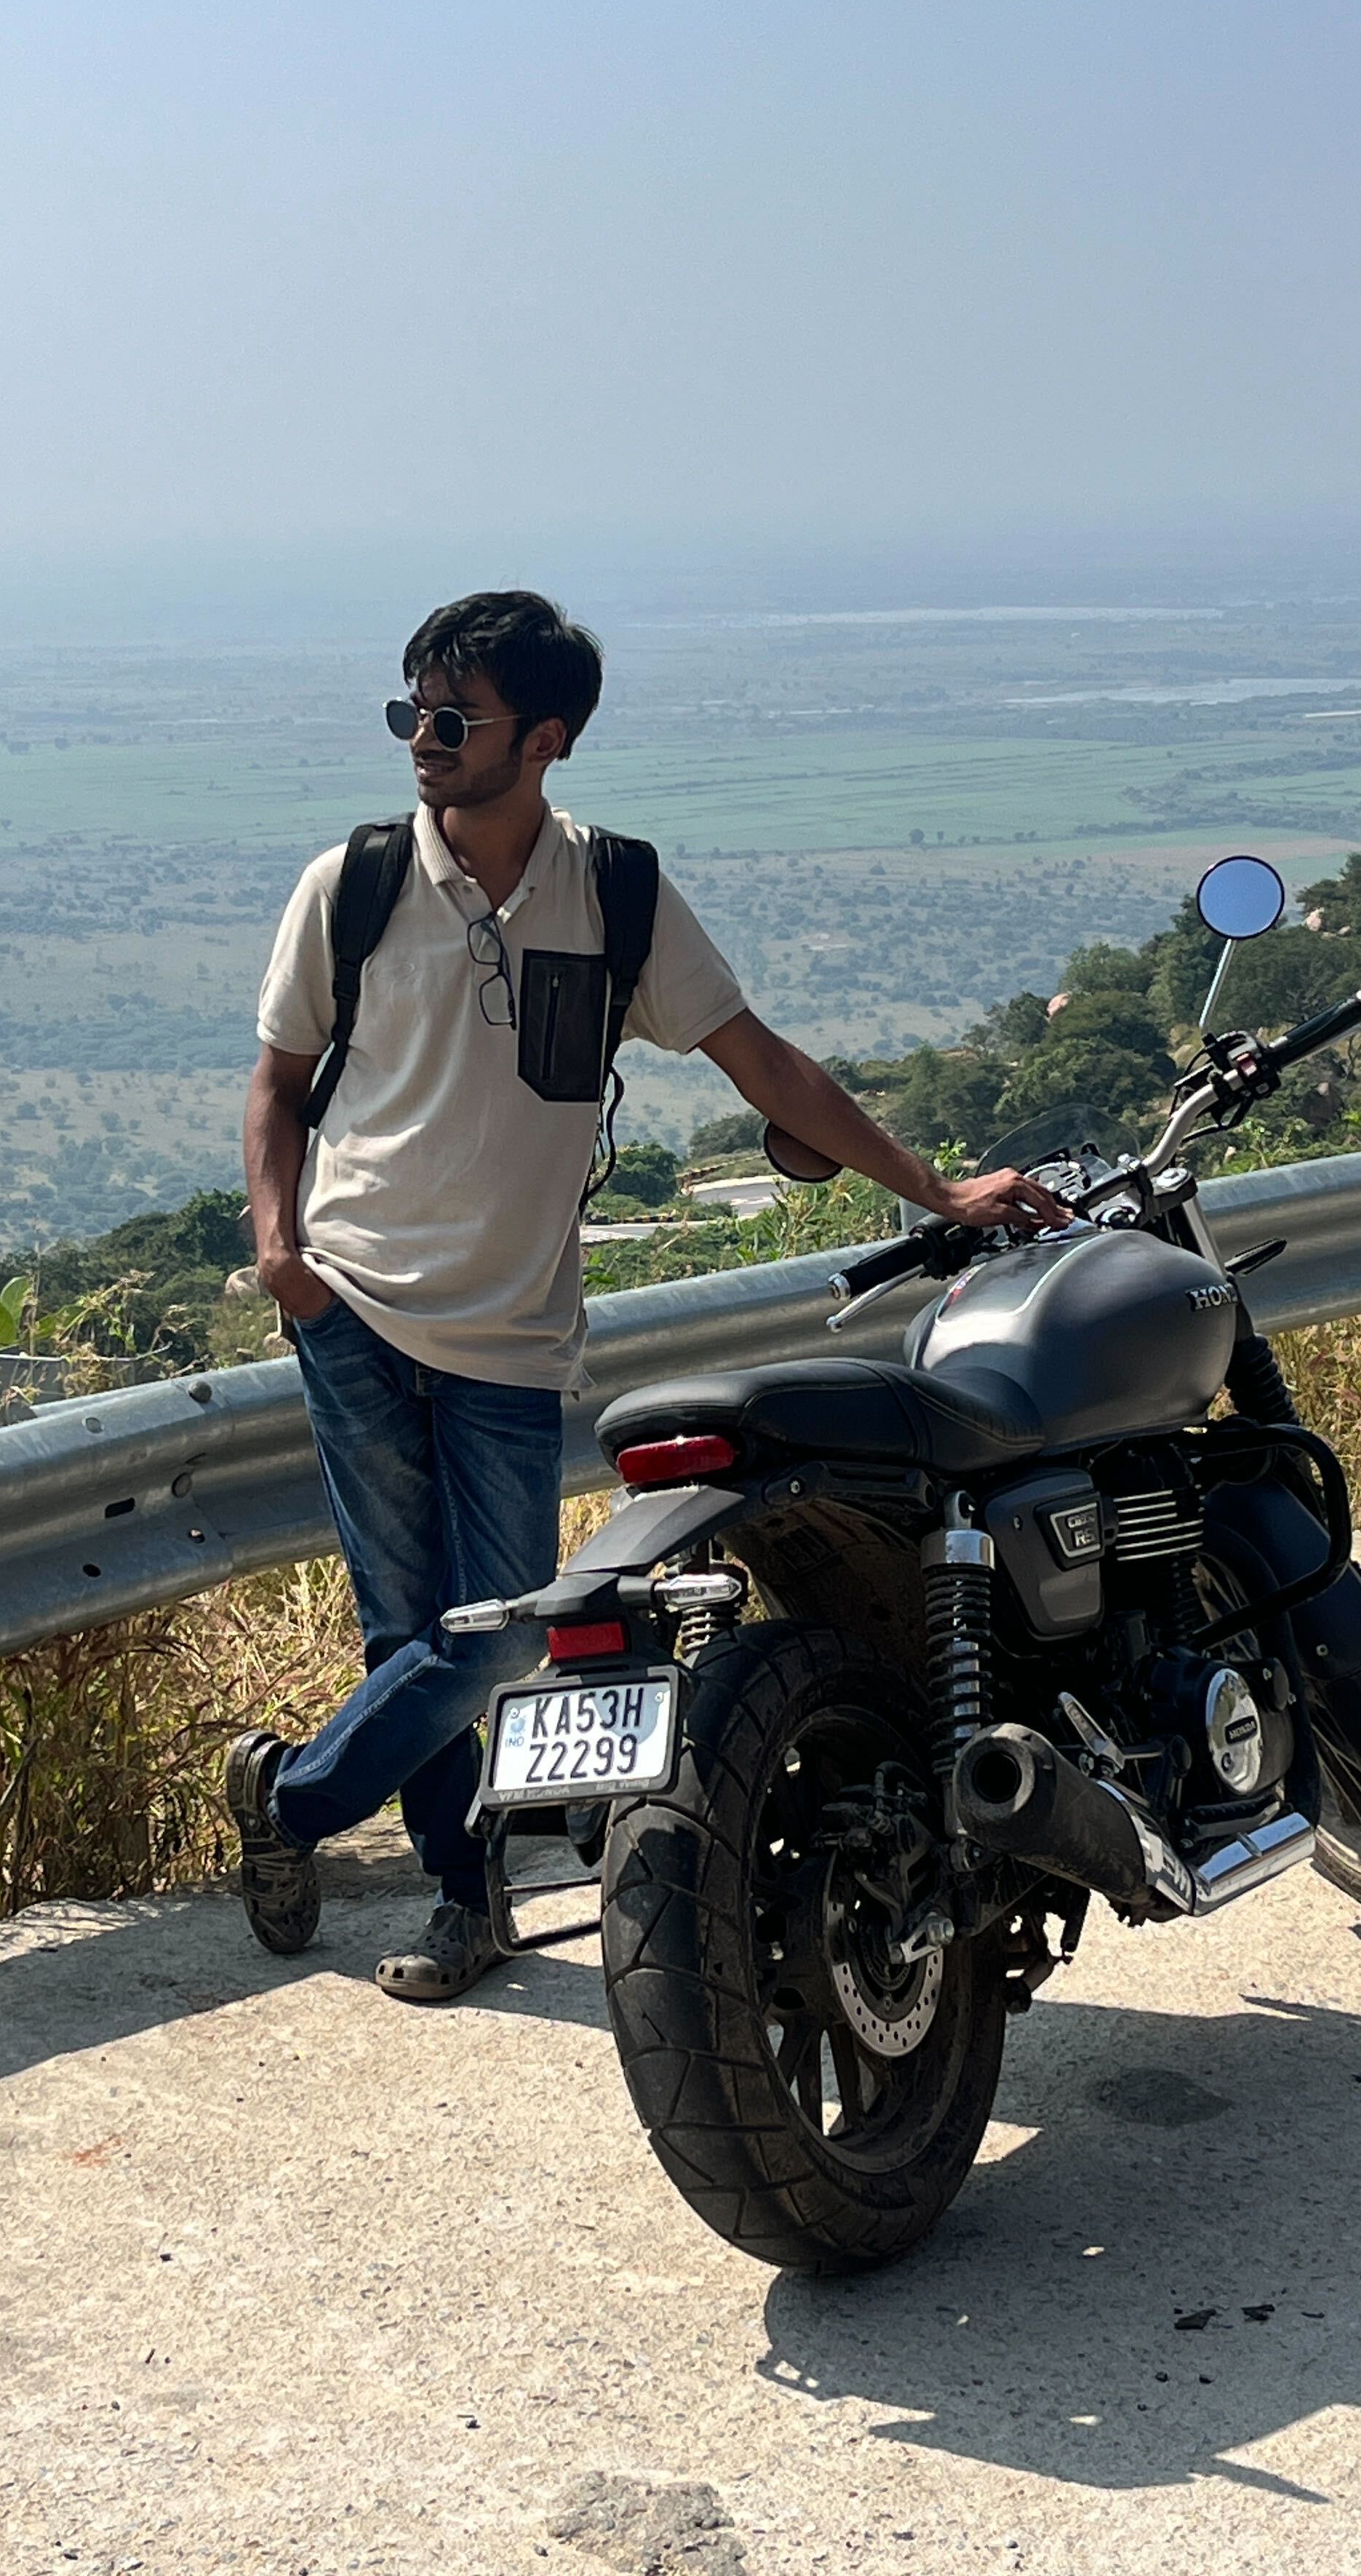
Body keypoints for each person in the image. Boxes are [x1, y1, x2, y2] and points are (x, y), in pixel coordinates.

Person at [228, 589, 1068, 2003]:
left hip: (510, 1337)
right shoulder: (353, 883)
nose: (422, 740)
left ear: (544, 740)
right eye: (410, 712)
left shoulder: (616, 894)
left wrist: (935, 1193)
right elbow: (278, 1083)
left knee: (500, 1641)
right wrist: (279, 1253)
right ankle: (465, 1899)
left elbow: (764, 1065)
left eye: (454, 719)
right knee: (407, 1631)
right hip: (353, 1307)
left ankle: (293, 1800)